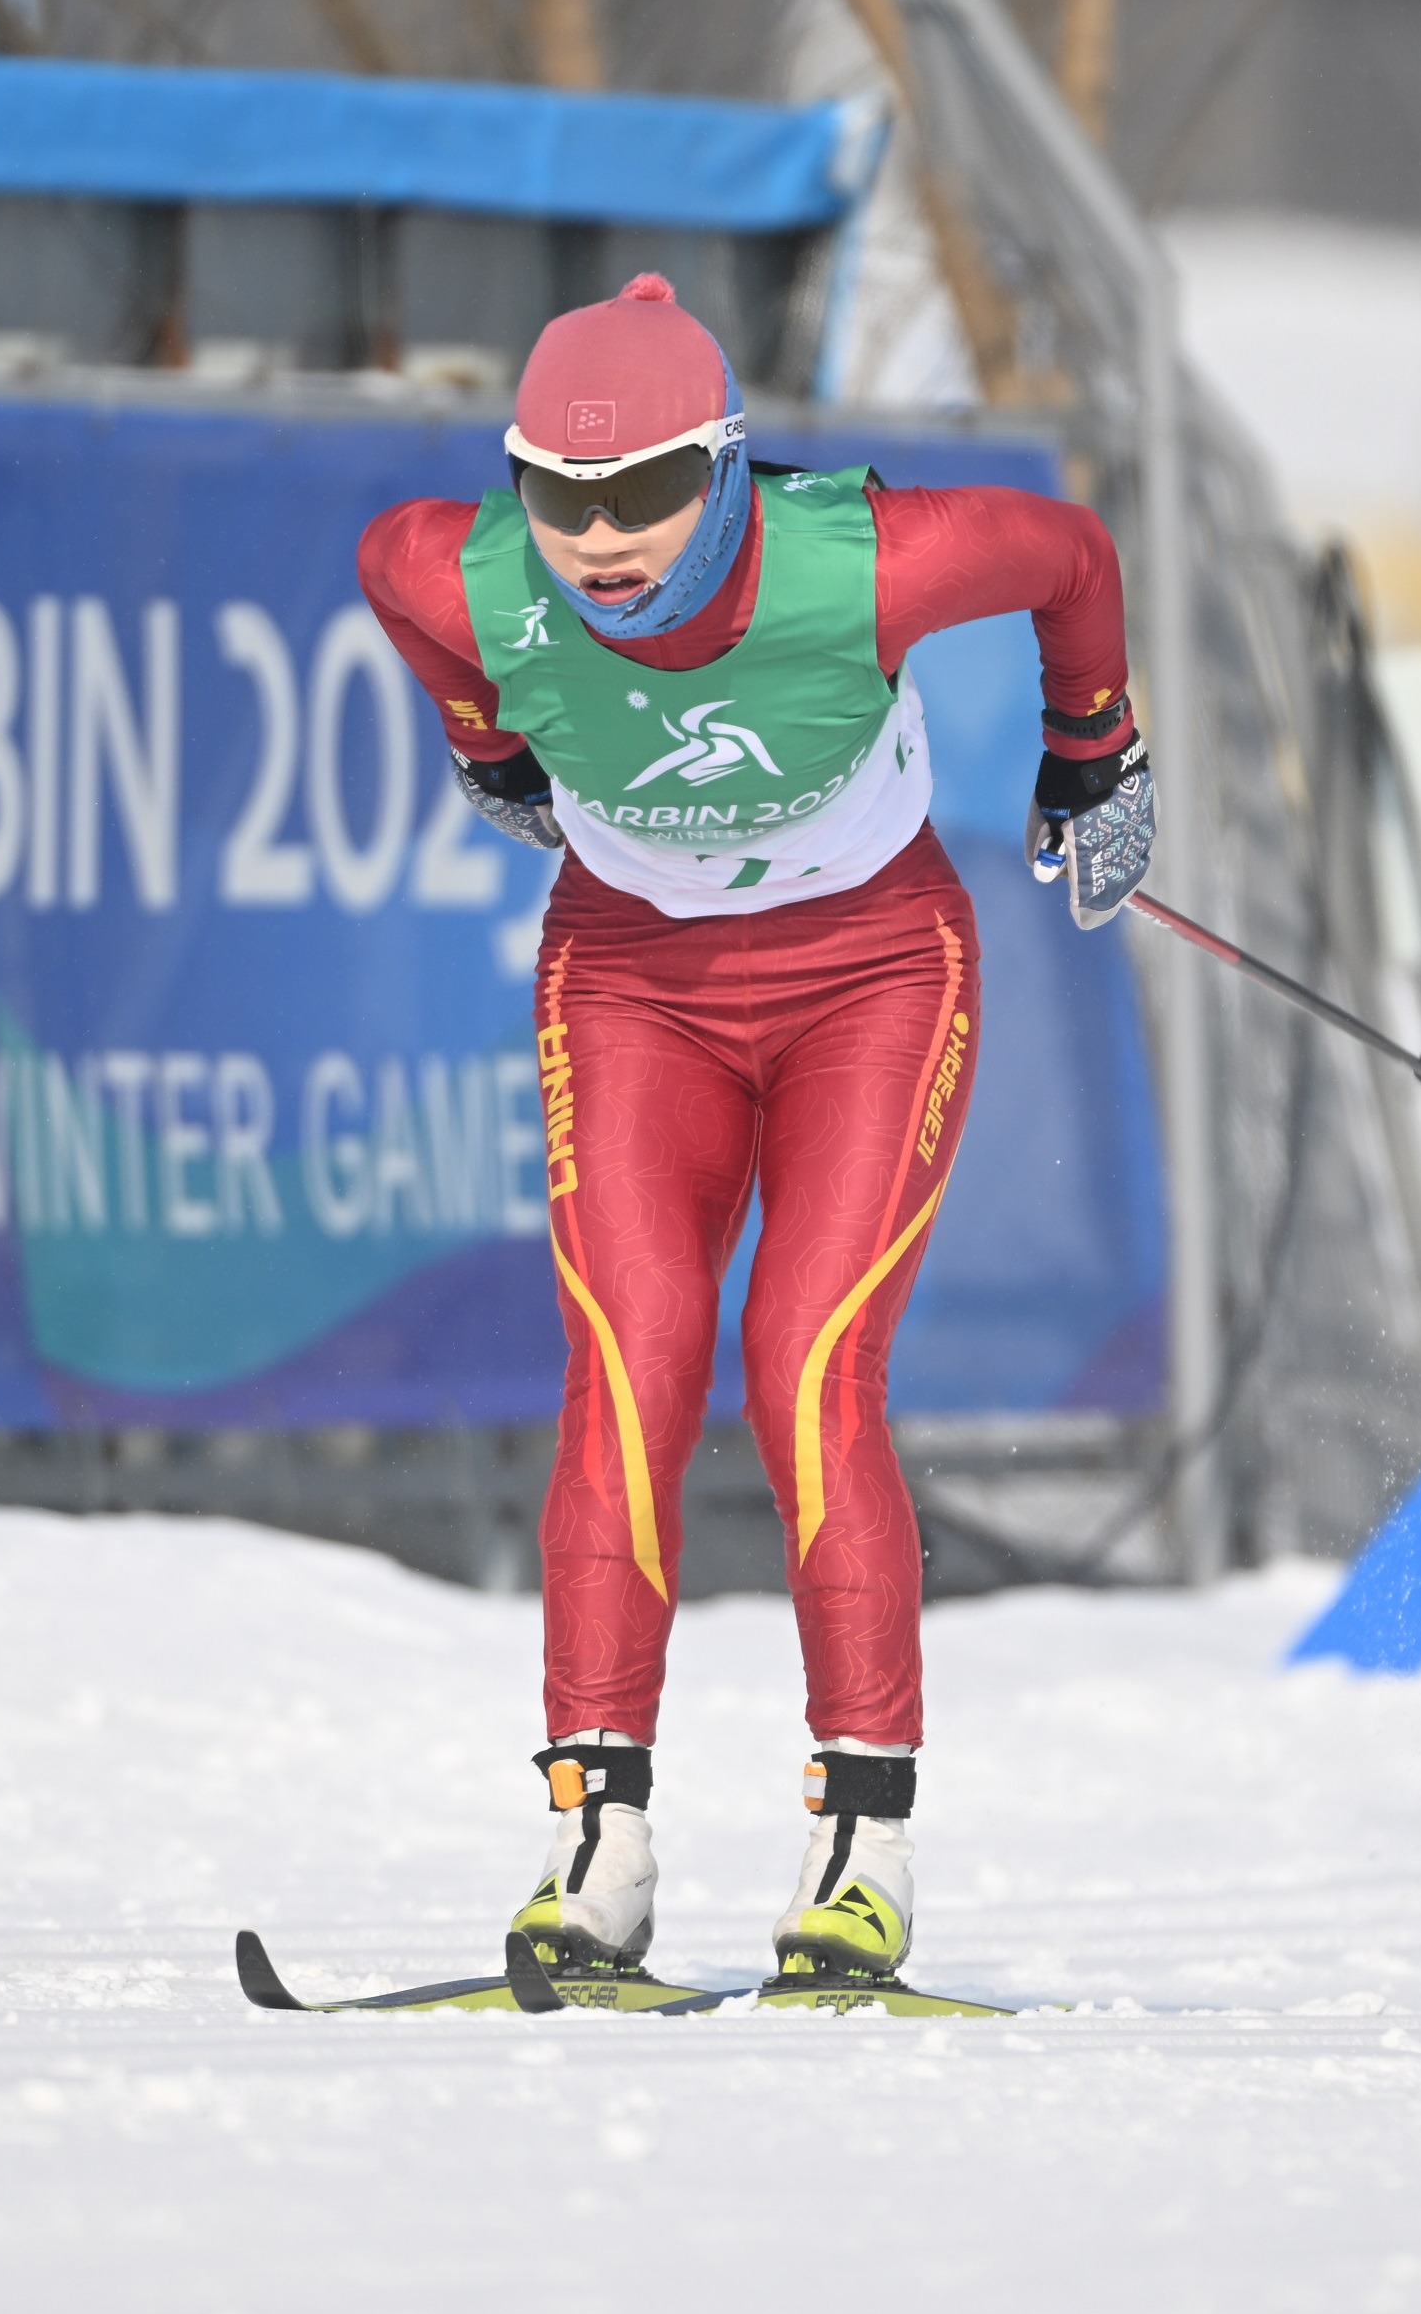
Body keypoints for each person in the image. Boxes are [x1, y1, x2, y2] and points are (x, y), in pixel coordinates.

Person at [356, 273, 1156, 1988]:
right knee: (631, 1357)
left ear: (723, 468)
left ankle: (863, 1849)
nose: (600, 541)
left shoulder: (868, 562)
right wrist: (486, 740)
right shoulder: (469, 575)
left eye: (646, 492)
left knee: (804, 1359)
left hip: (871, 971)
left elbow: (1072, 557)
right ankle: (596, 1844)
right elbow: (389, 572)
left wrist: (1093, 749)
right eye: (558, 496)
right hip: (631, 981)